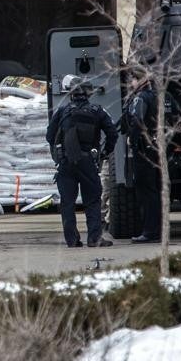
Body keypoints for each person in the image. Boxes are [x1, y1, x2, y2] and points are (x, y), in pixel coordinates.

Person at [47, 76, 118, 248]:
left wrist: (58, 154)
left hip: (66, 162)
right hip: (88, 161)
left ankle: (71, 240)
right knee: (92, 201)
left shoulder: (62, 111)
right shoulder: (98, 111)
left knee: (67, 202)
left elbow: (49, 135)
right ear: (89, 93)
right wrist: (105, 152)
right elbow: (113, 133)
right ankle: (94, 239)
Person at [124, 76, 163, 244]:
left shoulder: (140, 98)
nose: (131, 83)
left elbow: (137, 120)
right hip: (156, 148)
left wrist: (132, 140)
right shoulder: (159, 96)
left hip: (144, 149)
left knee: (146, 191)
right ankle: (156, 229)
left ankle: (150, 232)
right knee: (155, 190)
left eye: (133, 79)